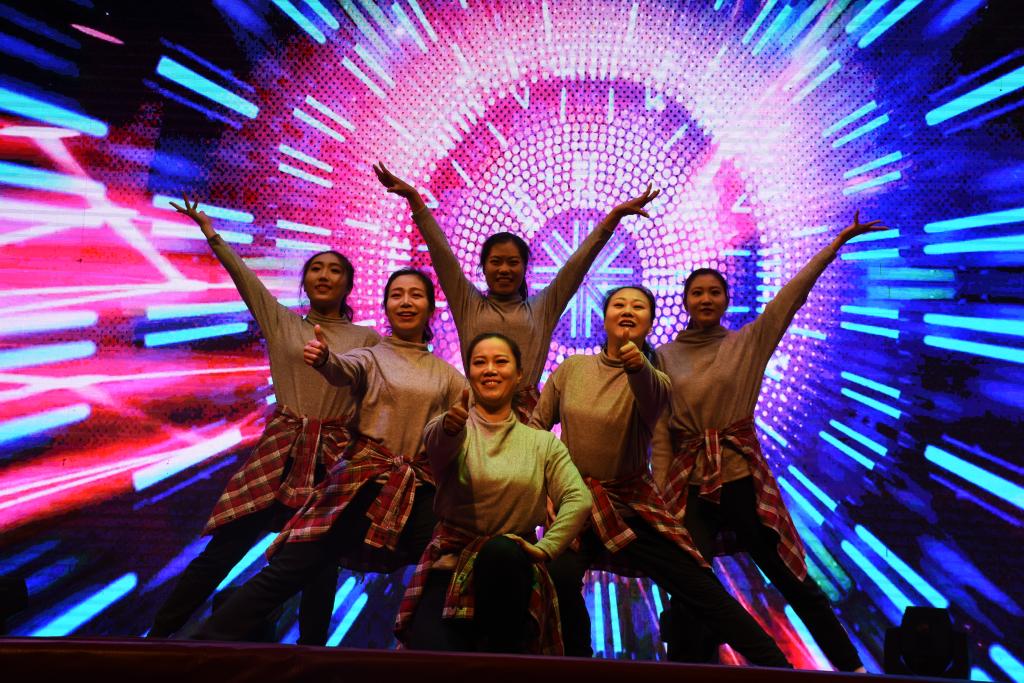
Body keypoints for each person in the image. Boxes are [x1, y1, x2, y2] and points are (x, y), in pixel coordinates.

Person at [654, 213, 887, 671]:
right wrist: (663, 493)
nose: (705, 298)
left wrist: (834, 246)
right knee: (688, 583)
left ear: (726, 300)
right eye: (697, 292)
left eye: (714, 292)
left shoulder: (748, 342)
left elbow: (789, 298)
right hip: (690, 481)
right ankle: (685, 668)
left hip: (739, 474)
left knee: (788, 574)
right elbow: (662, 430)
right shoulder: (663, 355)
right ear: (684, 301)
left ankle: (851, 667)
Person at [149, 195, 379, 644]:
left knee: (319, 562)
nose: (324, 275)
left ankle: (313, 656)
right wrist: (211, 233)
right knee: (225, 549)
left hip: (331, 457)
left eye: (335, 270)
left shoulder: (368, 338)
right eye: (316, 269)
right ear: (305, 281)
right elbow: (245, 279)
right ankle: (158, 637)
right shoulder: (282, 321)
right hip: (282, 449)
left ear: (349, 284)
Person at [193, 268, 465, 641]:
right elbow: (342, 369)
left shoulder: (447, 376)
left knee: (445, 562)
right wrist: (324, 359)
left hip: (413, 489)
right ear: (386, 306)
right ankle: (201, 645)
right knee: (290, 569)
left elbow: (472, 416)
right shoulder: (370, 357)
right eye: (397, 294)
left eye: (415, 295)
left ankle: (436, 656)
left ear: (431, 308)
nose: (406, 302)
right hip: (358, 482)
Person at [530, 287, 790, 666]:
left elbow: (649, 395)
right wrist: (545, 490)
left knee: (699, 586)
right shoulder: (572, 369)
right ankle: (578, 667)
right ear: (604, 316)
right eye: (619, 304)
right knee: (557, 578)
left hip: (631, 504)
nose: (627, 311)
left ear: (650, 323)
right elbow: (535, 430)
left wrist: (636, 364)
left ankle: (777, 666)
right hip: (577, 503)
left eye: (638, 307)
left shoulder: (657, 380)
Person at [373, 162, 658, 419]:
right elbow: (442, 254)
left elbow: (577, 265)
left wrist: (612, 219)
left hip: (527, 419)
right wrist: (416, 201)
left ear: (524, 268)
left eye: (513, 263)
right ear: (483, 268)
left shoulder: (542, 308)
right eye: (496, 262)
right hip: (474, 417)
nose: (504, 269)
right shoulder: (468, 304)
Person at [396, 333, 591, 654]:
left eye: (501, 362)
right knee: (431, 664)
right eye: (480, 362)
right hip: (451, 566)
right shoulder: (451, 427)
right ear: (469, 372)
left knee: (501, 552)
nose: (490, 369)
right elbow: (438, 442)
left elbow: (578, 498)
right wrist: (450, 426)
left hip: (512, 572)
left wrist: (546, 548)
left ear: (518, 375)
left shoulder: (542, 443)